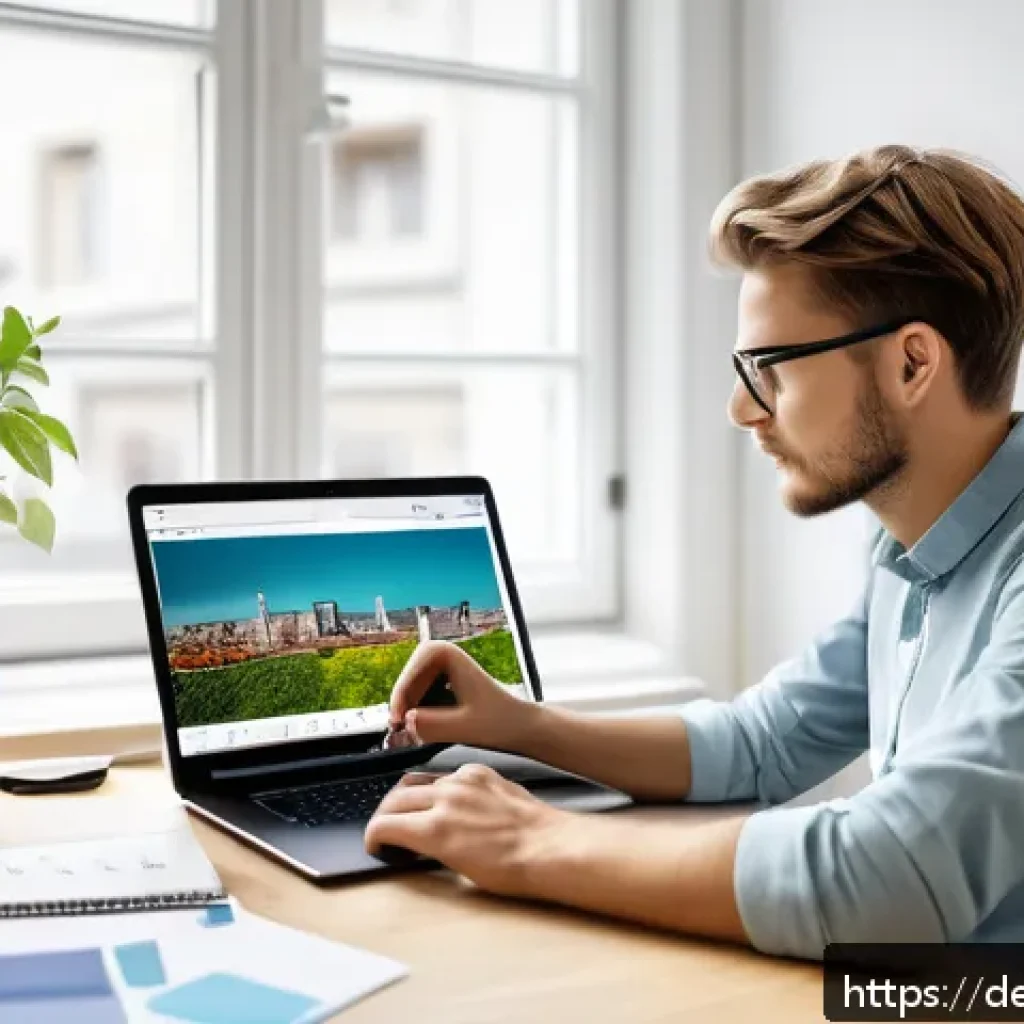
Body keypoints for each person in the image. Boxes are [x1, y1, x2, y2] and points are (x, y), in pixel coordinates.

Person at [364, 144, 1024, 961]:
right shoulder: (906, 539)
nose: (743, 410)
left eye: (769, 369)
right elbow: (767, 740)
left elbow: (888, 872)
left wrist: (532, 841)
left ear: (911, 362)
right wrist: (522, 726)